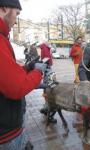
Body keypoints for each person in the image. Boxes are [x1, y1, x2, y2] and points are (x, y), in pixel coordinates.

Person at [0, 0, 47, 149]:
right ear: (4, 8)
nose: (16, 20)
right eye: (17, 13)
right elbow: (17, 87)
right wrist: (38, 71)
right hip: (6, 133)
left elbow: (6, 76)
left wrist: (27, 68)